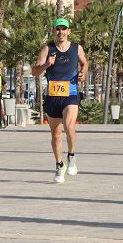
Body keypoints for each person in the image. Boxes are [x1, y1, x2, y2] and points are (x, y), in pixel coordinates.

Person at [31, 17, 88, 184]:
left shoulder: (77, 48)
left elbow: (85, 63)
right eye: (58, 29)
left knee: (69, 126)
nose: (61, 32)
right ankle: (59, 164)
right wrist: (46, 65)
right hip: (53, 97)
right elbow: (35, 71)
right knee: (56, 135)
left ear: (69, 31)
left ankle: (71, 156)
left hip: (70, 94)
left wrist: (82, 73)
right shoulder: (47, 49)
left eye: (64, 29)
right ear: (54, 31)